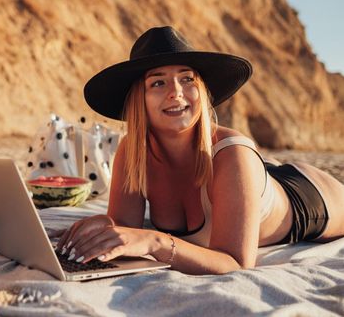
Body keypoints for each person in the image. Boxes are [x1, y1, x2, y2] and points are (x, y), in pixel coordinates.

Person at [56, 26, 344, 275]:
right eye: (158, 82)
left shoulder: (232, 155)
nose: (176, 92)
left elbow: (236, 263)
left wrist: (156, 242)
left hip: (309, 196)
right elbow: (125, 228)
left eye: (187, 79)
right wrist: (103, 226)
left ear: (202, 90)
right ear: (138, 100)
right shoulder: (132, 150)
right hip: (242, 175)